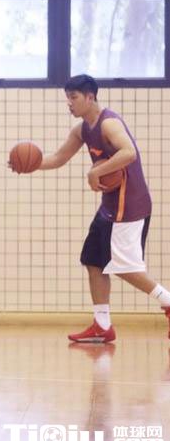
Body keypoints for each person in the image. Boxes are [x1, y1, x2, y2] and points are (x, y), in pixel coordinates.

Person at [33, 74, 170, 342]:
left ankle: (168, 300)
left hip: (129, 205)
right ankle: (102, 325)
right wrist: (30, 165)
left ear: (90, 97)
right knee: (93, 260)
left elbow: (129, 152)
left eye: (73, 98)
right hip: (110, 205)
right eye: (67, 98)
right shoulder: (82, 130)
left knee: (124, 268)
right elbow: (59, 158)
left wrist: (96, 172)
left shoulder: (109, 123)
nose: (69, 103)